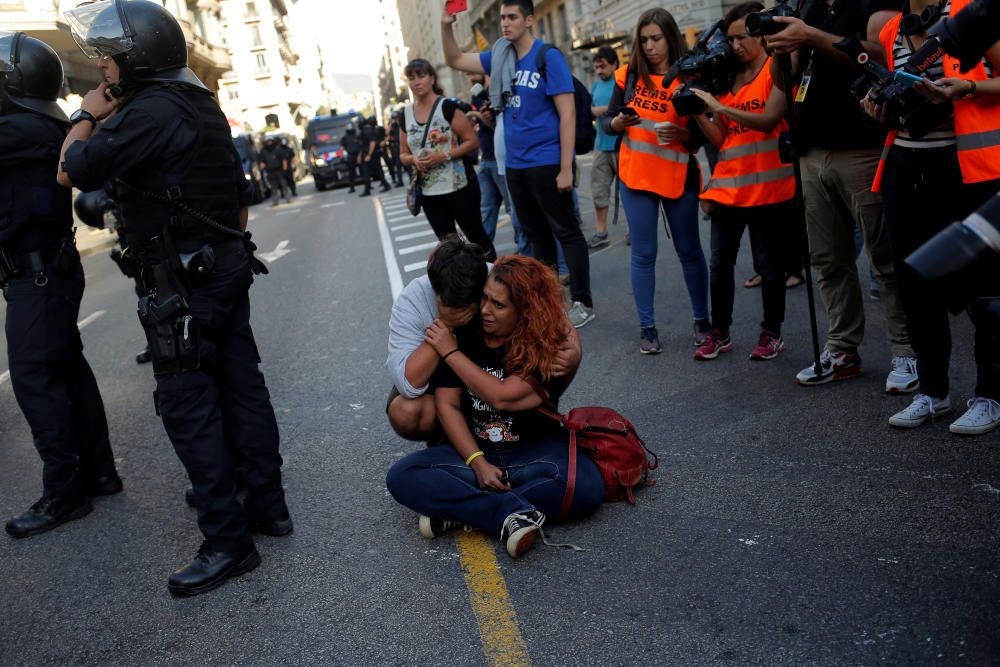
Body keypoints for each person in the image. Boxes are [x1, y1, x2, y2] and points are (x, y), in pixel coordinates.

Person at [59, 0, 291, 597]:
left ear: (137, 60)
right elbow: (237, 195)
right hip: (223, 269)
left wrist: (84, 115)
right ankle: (267, 506)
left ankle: (227, 541)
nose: (105, 71)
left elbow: (76, 169)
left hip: (181, 283)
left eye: (109, 61)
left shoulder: (150, 110)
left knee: (189, 405)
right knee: (241, 385)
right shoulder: (200, 104)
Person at [386, 255, 604, 558]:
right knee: (402, 476)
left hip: (531, 451)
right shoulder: (464, 334)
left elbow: (502, 397)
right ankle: (505, 512)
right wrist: (477, 461)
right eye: (485, 300)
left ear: (524, 311)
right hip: (476, 454)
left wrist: (450, 353)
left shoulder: (543, 347)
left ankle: (464, 508)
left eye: (498, 306)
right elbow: (447, 405)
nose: (485, 310)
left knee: (586, 486)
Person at [0, 32, 121, 538]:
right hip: (49, 266)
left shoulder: (17, 128)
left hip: (36, 273)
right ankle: (98, 471)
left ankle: (64, 494)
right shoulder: (45, 122)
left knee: (35, 378)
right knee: (67, 368)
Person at [764, 0, 919, 392]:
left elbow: (884, 58)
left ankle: (907, 351)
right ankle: (843, 349)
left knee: (884, 259)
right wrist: (781, 50)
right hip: (812, 150)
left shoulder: (874, 4)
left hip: (862, 147)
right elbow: (787, 82)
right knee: (827, 259)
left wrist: (811, 35)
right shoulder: (808, 7)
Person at [862, 0, 1000, 433]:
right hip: (905, 167)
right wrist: (877, 104)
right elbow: (899, 97)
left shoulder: (970, 11)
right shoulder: (892, 30)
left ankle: (990, 394)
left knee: (981, 286)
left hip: (967, 168)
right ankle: (933, 391)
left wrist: (967, 88)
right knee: (915, 282)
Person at [442, 0, 597, 329]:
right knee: (535, 236)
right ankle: (549, 302)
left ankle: (583, 301)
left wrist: (566, 166)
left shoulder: (547, 57)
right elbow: (454, 59)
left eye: (512, 17)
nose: (505, 23)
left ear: (528, 20)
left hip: (547, 160)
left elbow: (567, 114)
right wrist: (446, 25)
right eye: (502, 18)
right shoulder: (499, 57)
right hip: (514, 165)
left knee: (566, 232)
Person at [386, 236, 581, 442]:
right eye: (456, 307)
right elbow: (407, 384)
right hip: (446, 378)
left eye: (474, 305)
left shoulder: (492, 276)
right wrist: (445, 327)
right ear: (437, 294)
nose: (484, 310)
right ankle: (452, 439)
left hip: (499, 372)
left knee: (559, 354)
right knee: (406, 413)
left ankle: (535, 427)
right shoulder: (411, 301)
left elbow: (553, 317)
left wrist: (574, 354)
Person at [688, 2, 795, 362]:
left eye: (742, 36)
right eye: (730, 39)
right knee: (720, 265)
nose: (735, 45)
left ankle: (772, 333)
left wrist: (720, 108)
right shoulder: (726, 78)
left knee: (769, 267)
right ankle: (719, 333)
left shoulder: (775, 69)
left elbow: (768, 120)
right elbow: (721, 140)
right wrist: (701, 109)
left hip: (769, 189)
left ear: (761, 33)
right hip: (729, 190)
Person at [602, 8, 710, 355]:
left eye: (656, 38)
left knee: (690, 252)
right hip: (635, 179)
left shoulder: (689, 78)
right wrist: (617, 124)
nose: (649, 46)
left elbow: (702, 136)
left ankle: (702, 322)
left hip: (679, 176)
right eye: (644, 39)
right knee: (643, 254)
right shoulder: (627, 76)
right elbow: (607, 124)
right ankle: (647, 329)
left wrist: (683, 133)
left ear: (670, 37)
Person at [398, 59, 496, 259]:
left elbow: (472, 141)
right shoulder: (405, 115)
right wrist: (414, 160)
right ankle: (463, 287)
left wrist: (443, 155)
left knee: (476, 238)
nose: (416, 82)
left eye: (421, 76)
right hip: (429, 193)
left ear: (432, 78)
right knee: (449, 247)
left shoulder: (447, 107)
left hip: (460, 186)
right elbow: (403, 154)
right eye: (411, 78)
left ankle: (494, 281)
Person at [467, 72, 529, 254]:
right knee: (486, 210)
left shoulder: (502, 90)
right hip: (486, 158)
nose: (470, 77)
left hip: (502, 161)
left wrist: (481, 117)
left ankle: (524, 249)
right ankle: (480, 254)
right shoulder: (478, 94)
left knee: (513, 210)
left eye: (471, 72)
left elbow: (502, 125)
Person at [588, 46, 619, 249]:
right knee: (599, 190)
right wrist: (597, 111)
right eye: (597, 67)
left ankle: (634, 231)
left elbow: (623, 108)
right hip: (601, 146)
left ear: (614, 64)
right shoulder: (596, 86)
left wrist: (603, 110)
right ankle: (601, 232)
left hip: (621, 145)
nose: (599, 71)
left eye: (603, 66)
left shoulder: (622, 84)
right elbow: (589, 110)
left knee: (628, 192)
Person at [359, 116, 391, 197]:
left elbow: (372, 142)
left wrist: (369, 155)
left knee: (369, 171)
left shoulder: (367, 130)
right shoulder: (369, 129)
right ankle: (383, 185)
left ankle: (368, 189)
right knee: (376, 171)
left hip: (371, 155)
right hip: (372, 154)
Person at [259, 136, 290, 206]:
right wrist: (261, 170)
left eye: (271, 141)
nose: (269, 143)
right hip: (270, 171)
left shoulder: (278, 149)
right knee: (273, 187)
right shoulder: (263, 151)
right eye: (268, 142)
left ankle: (288, 198)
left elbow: (284, 160)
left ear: (273, 142)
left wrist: (285, 169)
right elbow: (262, 161)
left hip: (279, 170)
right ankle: (275, 201)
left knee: (284, 184)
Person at [341, 120, 363, 193]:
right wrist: (343, 156)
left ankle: (367, 184)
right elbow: (342, 148)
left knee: (363, 170)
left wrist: (359, 155)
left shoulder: (357, 136)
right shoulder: (345, 137)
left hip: (357, 154)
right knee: (351, 173)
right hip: (350, 155)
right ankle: (352, 187)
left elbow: (360, 146)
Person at [387, 111, 405, 187]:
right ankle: (400, 181)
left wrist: (399, 121)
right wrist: (391, 122)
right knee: (398, 165)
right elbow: (387, 133)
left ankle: (412, 178)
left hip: (402, 145)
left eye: (396, 118)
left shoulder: (401, 124)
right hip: (395, 147)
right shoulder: (392, 125)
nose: (395, 119)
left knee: (407, 164)